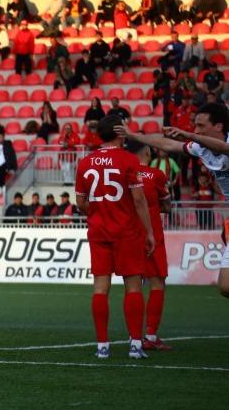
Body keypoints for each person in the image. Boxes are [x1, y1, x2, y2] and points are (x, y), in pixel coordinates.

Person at [117, 103, 229, 298]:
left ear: (219, 127)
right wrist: (135, 136)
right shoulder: (201, 147)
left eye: (201, 126)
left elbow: (224, 148)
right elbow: (168, 144)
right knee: (225, 287)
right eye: (196, 126)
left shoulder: (217, 143)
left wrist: (190, 136)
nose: (196, 130)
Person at [75, 116, 156, 359]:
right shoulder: (130, 160)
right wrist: (150, 232)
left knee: (100, 288)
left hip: (99, 231)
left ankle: (102, 346)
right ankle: (135, 345)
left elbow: (80, 202)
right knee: (133, 287)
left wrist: (101, 211)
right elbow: (140, 199)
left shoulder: (85, 162)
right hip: (127, 231)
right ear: (121, 133)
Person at [126, 139, 172, 351]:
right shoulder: (156, 175)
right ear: (146, 151)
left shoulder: (124, 174)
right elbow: (167, 205)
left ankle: (134, 336)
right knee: (157, 283)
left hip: (131, 235)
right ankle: (151, 335)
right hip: (153, 234)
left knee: (133, 286)